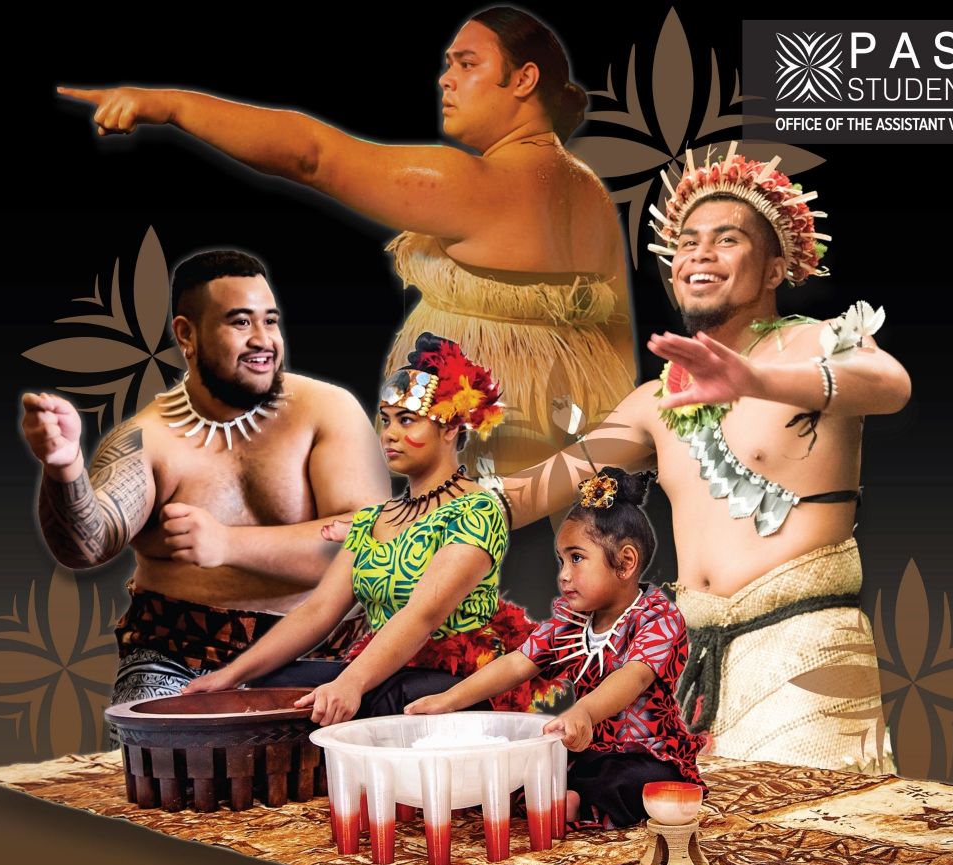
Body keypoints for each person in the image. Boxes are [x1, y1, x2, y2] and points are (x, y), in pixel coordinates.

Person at [56, 6, 634, 475]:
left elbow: (313, 157)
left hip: (488, 460)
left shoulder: (472, 184)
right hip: (582, 458)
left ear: (524, 79)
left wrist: (171, 105)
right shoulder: (593, 197)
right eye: (448, 64)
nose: (446, 79)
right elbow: (623, 347)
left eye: (467, 64)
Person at [494, 148, 912, 771]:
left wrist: (757, 380)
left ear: (774, 269)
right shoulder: (655, 400)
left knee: (805, 844)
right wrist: (407, 509)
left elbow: (890, 385)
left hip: (802, 642)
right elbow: (530, 493)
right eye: (687, 242)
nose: (700, 254)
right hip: (686, 658)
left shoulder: (817, 341)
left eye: (727, 239)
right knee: (690, 852)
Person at [20, 249, 388, 708]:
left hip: (329, 655)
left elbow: (369, 545)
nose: (263, 340)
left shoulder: (326, 410)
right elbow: (89, 545)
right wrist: (64, 468)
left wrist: (227, 545)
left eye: (269, 321)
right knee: (158, 753)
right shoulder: (148, 439)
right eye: (240, 322)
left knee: (361, 763)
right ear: (186, 334)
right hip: (179, 657)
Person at [183, 334, 557, 724]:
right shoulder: (373, 520)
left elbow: (423, 615)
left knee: (382, 698)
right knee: (274, 685)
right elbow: (319, 611)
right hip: (385, 671)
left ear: (449, 429)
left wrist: (351, 683)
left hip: (452, 680)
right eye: (386, 420)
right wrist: (231, 675)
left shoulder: (477, 510)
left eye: (407, 420)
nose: (390, 434)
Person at [407, 467, 704, 830]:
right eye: (561, 560)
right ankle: (561, 797)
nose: (563, 574)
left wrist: (584, 712)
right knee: (534, 767)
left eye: (576, 558)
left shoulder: (658, 618)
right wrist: (449, 699)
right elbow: (518, 664)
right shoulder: (571, 624)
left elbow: (632, 677)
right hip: (587, 749)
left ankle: (576, 804)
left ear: (625, 562)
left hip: (648, 754)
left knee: (632, 782)